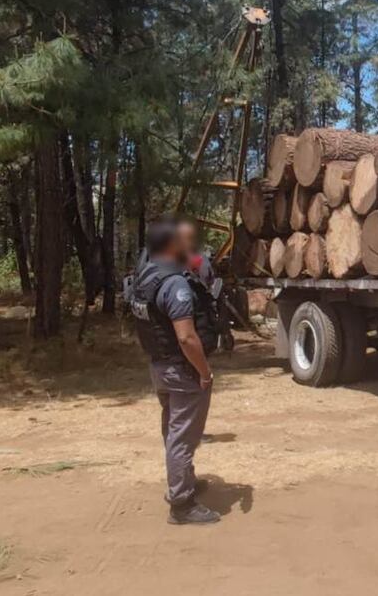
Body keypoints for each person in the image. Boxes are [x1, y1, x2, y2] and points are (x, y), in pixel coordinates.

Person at [125, 217, 221, 525]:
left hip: (160, 366)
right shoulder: (175, 283)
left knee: (173, 429)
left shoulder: (145, 276)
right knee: (183, 436)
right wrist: (204, 372)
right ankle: (182, 504)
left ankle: (183, 481)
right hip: (182, 371)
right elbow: (186, 336)